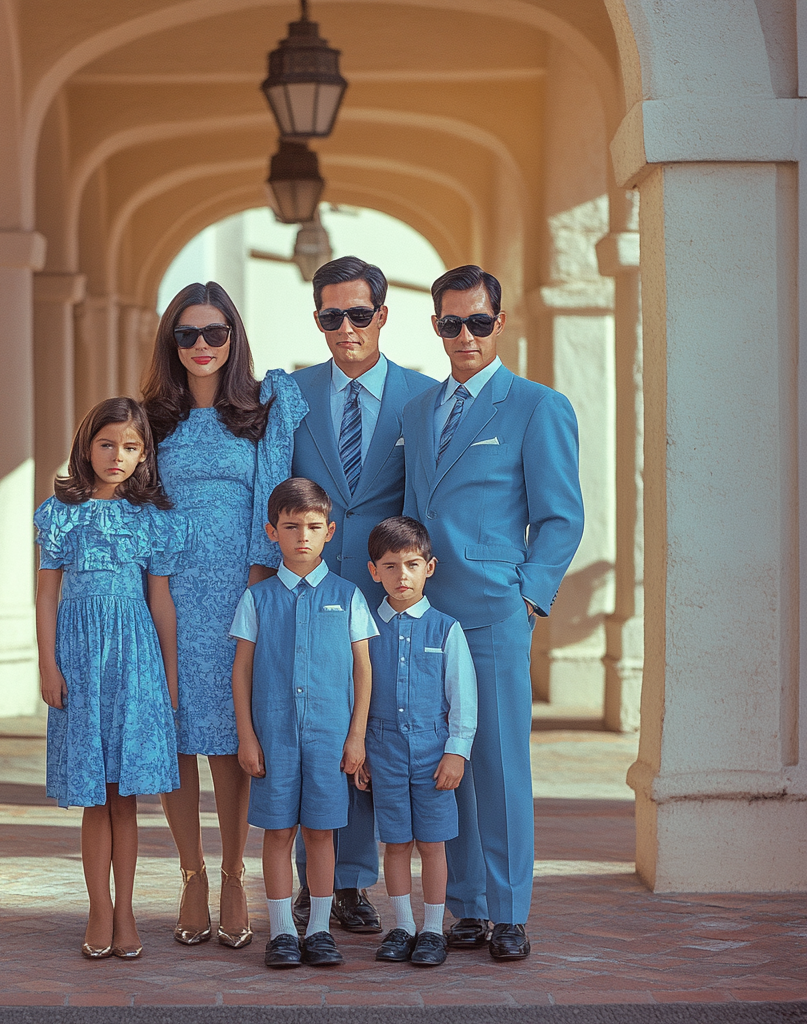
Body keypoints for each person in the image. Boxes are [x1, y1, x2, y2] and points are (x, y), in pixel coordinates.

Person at [401, 265, 584, 961]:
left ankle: (509, 912)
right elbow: (417, 511)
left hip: (495, 612)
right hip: (429, 616)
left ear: (499, 323)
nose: (466, 335)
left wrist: (528, 596)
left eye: (479, 321)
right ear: (437, 326)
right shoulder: (420, 411)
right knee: (449, 763)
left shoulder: (537, 406)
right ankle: (468, 906)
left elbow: (561, 517)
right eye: (452, 323)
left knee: (501, 766)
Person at [144, 282, 308, 949]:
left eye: (215, 333)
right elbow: (137, 500)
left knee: (235, 739)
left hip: (239, 592)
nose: (203, 346)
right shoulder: (151, 418)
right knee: (178, 732)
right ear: (172, 343)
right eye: (188, 334)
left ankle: (235, 875)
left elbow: (270, 508)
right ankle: (190, 874)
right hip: (168, 592)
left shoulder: (262, 411)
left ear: (234, 338)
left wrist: (256, 591)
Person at [289, 256, 437, 934]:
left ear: (382, 314)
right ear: (317, 319)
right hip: (310, 591)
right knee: (314, 728)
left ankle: (355, 881)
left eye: (357, 313)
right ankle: (317, 881)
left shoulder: (425, 398)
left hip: (385, 595)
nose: (344, 327)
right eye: (330, 316)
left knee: (375, 732)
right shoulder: (290, 396)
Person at [35, 398, 191, 960]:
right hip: (78, 661)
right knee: (93, 799)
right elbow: (48, 593)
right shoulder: (61, 512)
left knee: (124, 798)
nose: (117, 456)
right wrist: (48, 664)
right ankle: (97, 908)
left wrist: (169, 676)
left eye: (130, 447)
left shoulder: (151, 517)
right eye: (107, 444)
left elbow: (161, 601)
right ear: (86, 445)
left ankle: (125, 911)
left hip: (134, 659)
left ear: (144, 455)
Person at [230, 478, 377, 968]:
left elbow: (362, 669)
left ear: (330, 531)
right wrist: (247, 736)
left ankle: (317, 931)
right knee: (277, 832)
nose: (302, 537)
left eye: (314, 527)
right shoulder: (258, 598)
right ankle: (281, 933)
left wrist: (356, 735)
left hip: (329, 738)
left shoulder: (348, 595)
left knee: (321, 834)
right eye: (291, 527)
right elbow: (243, 670)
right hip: (273, 739)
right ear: (273, 532)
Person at [360, 516, 477, 968]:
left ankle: (432, 929)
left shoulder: (447, 629)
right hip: (382, 750)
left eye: (411, 564)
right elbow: (356, 694)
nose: (401, 575)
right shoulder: (364, 627)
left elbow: (462, 696)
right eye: (390, 566)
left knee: (432, 844)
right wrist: (361, 751)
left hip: (433, 753)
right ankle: (402, 925)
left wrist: (456, 750)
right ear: (374, 572)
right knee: (395, 843)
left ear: (430, 567)